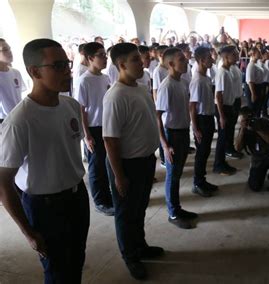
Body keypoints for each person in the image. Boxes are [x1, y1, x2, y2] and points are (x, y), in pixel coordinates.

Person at [0, 38, 89, 283]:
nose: (67, 71)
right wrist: (28, 232)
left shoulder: (71, 106)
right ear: (34, 71)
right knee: (57, 269)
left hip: (77, 195)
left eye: (67, 64)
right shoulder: (21, 120)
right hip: (45, 207)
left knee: (76, 259)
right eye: (58, 66)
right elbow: (3, 183)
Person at [102, 43, 162, 280]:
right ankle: (130, 256)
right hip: (127, 164)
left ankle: (141, 246)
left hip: (145, 161)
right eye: (136, 59)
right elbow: (110, 140)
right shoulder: (115, 96)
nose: (143, 62)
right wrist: (119, 176)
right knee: (126, 214)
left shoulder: (140, 86)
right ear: (122, 65)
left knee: (139, 208)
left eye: (142, 58)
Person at [156, 47, 198, 229]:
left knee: (178, 173)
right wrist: (165, 145)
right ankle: (173, 213)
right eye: (181, 59)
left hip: (181, 132)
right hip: (171, 134)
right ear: (171, 64)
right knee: (172, 176)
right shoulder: (166, 86)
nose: (186, 61)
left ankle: (178, 208)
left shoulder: (181, 82)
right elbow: (157, 117)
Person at [76, 42, 114, 216]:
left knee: (108, 163)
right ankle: (100, 200)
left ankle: (108, 196)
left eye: (105, 55)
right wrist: (87, 135)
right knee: (96, 165)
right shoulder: (84, 80)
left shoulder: (105, 78)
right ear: (90, 58)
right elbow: (81, 110)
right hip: (93, 128)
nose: (105, 58)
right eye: (101, 55)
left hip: (107, 126)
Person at [189, 47, 219, 197]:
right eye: (209, 57)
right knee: (201, 153)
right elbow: (192, 107)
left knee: (206, 151)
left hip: (208, 118)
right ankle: (197, 183)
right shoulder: (197, 81)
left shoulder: (206, 78)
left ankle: (202, 180)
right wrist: (195, 128)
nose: (212, 60)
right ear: (201, 60)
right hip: (201, 120)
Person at [235, 107, 269, 191]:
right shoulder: (243, 130)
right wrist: (242, 130)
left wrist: (257, 130)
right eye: (243, 121)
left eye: (249, 119)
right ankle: (259, 172)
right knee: (255, 187)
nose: (247, 122)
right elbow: (237, 148)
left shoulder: (264, 123)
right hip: (258, 159)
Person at [213, 45, 238, 175]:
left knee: (226, 136)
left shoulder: (228, 70)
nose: (237, 56)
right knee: (222, 138)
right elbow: (218, 95)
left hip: (229, 107)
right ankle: (218, 165)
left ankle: (222, 162)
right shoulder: (222, 72)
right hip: (223, 108)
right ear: (226, 57)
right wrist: (222, 115)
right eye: (234, 54)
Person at [0, 38, 25, 124]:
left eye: (10, 49)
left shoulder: (16, 73)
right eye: (5, 50)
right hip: (4, 122)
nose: (10, 52)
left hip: (20, 118)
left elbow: (18, 96)